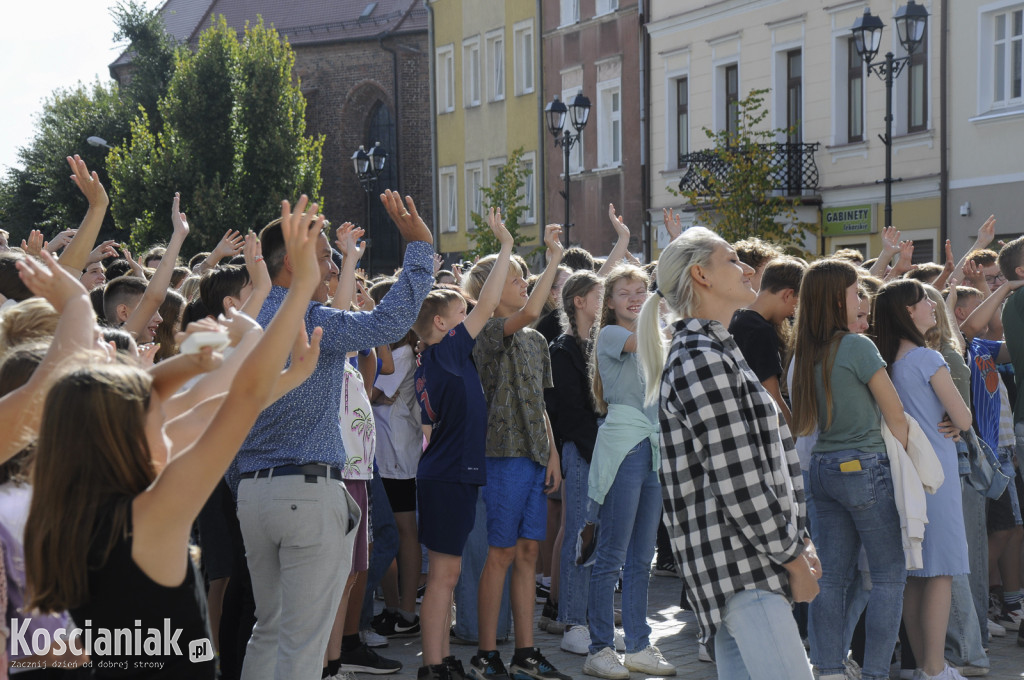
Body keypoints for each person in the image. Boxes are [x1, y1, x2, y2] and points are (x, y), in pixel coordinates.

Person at [22, 196, 325, 679]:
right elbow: (235, 404)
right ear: (123, 437)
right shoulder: (149, 521)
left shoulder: (45, 525)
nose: (167, 420)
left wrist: (283, 375)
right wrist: (302, 286)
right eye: (152, 414)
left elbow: (209, 410)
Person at [233, 190, 434, 680]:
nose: (330, 268)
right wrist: (420, 249)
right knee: (302, 643)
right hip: (305, 493)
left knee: (270, 630)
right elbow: (389, 320)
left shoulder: (243, 322)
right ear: (292, 265)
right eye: (324, 257)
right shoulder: (312, 320)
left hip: (253, 495)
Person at [636, 227, 818, 678]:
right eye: (733, 260)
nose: (747, 269)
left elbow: (761, 465)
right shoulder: (701, 357)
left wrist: (799, 544)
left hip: (747, 564)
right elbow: (739, 480)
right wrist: (794, 557)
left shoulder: (716, 349)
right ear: (701, 275)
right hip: (744, 569)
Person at [790, 259, 909, 680]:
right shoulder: (858, 347)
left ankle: (828, 669)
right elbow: (896, 416)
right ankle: (876, 672)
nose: (864, 299)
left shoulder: (802, 354)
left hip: (822, 469)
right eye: (857, 292)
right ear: (835, 300)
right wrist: (915, 469)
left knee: (833, 579)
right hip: (864, 466)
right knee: (889, 576)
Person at [462, 224, 569, 680]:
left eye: (526, 276)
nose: (523, 283)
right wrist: (553, 260)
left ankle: (526, 652)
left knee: (527, 552)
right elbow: (529, 310)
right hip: (501, 454)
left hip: (532, 453)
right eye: (514, 277)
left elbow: (539, 401)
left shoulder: (537, 341)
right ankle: (488, 654)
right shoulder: (488, 331)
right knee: (500, 554)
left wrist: (553, 454)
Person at [413, 208, 514, 680]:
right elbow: (491, 304)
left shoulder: (444, 352)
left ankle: (441, 658)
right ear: (440, 324)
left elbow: (484, 308)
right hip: (448, 475)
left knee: (445, 577)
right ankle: (434, 664)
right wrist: (506, 248)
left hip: (450, 474)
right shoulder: (447, 350)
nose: (470, 315)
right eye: (461, 312)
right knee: (444, 577)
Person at [874, 279, 973, 680]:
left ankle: (922, 665)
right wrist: (955, 422)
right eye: (923, 302)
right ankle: (935, 667)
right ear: (907, 312)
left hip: (905, 473)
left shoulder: (888, 360)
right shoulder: (929, 358)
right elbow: (964, 418)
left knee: (916, 573)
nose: (932, 306)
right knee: (942, 571)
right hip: (938, 474)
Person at [582, 265, 672, 680]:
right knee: (612, 556)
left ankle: (637, 645)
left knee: (642, 557)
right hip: (626, 447)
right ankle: (600, 647)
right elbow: (652, 342)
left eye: (641, 290)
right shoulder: (612, 335)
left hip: (651, 447)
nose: (635, 297)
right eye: (624, 292)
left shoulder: (653, 331)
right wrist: (662, 299)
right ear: (610, 302)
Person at [544, 270, 602, 654]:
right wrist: (597, 443)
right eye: (599, 296)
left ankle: (587, 612)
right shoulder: (562, 349)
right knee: (578, 532)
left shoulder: (601, 343)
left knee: (597, 535)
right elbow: (566, 411)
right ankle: (570, 618)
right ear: (578, 301)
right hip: (581, 451)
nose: (605, 302)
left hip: (602, 450)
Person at [728, 256, 806, 430]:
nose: (794, 314)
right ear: (787, 294)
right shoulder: (760, 330)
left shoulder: (735, 317)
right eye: (798, 304)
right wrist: (793, 437)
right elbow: (772, 397)